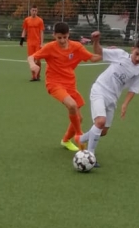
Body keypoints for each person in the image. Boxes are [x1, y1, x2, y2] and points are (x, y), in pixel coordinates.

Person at [76, 33, 139, 163]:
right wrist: (96, 41)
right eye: (137, 54)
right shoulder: (120, 54)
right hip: (99, 89)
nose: (138, 58)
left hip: (113, 98)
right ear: (133, 49)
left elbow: (133, 89)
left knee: (103, 131)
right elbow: (99, 51)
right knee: (100, 122)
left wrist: (125, 104)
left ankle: (81, 139)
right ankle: (90, 156)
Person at [28, 21, 102, 151]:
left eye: (65, 37)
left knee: (79, 118)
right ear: (54, 35)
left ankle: (66, 140)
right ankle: (79, 135)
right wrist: (33, 65)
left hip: (70, 84)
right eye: (59, 38)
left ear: (69, 35)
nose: (62, 40)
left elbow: (94, 58)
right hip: (54, 83)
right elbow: (31, 57)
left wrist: (102, 47)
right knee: (72, 105)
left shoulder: (76, 47)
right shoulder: (50, 47)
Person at [21, 6, 45, 80]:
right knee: (31, 59)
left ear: (37, 11)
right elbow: (24, 30)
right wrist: (21, 40)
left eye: (35, 10)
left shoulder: (40, 20)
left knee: (37, 60)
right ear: (30, 11)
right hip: (30, 43)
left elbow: (41, 32)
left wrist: (42, 43)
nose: (34, 12)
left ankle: (38, 75)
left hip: (37, 43)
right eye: (33, 10)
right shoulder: (27, 20)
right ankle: (33, 76)